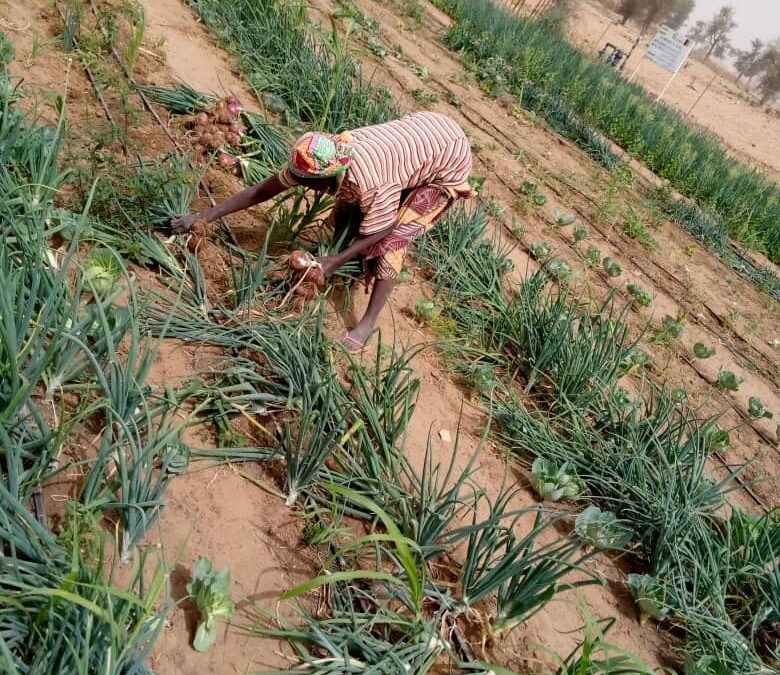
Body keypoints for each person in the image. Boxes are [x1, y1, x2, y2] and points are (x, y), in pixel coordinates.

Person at [172, 111, 475, 351]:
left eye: (307, 183)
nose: (300, 183)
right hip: (426, 129)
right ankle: (350, 268)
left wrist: (334, 261)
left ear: (328, 179)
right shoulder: (322, 155)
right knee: (350, 210)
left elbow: (381, 231)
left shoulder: (369, 182)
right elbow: (262, 191)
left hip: (449, 158)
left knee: (393, 242)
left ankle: (366, 324)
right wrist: (203, 216)